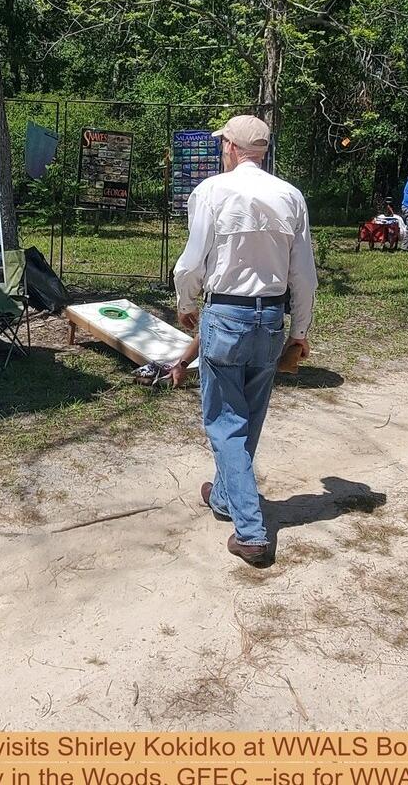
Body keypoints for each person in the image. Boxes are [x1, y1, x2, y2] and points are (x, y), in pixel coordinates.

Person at [173, 114, 318, 567]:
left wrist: (185, 301)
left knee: (224, 422)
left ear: (232, 148)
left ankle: (251, 532)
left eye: (223, 145)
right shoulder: (290, 196)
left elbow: (191, 262)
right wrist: (301, 331)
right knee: (248, 417)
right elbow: (304, 275)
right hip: (271, 317)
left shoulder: (211, 192)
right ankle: (222, 495)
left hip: (227, 314)